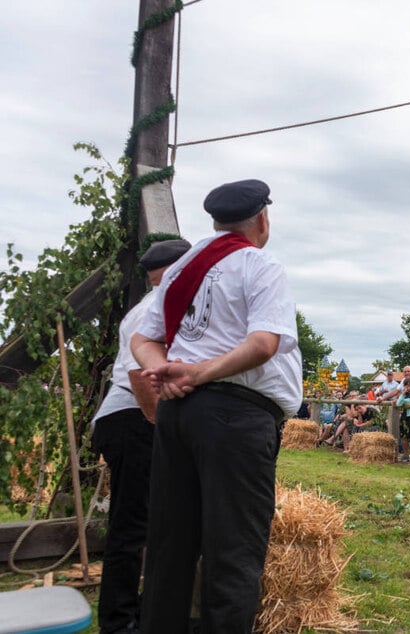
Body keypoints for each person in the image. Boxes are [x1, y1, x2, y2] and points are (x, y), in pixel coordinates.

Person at [130, 179, 302, 633]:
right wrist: (197, 372)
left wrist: (162, 369)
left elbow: (142, 339)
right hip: (235, 418)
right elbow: (264, 343)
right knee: (234, 553)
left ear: (215, 221)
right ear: (262, 219)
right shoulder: (258, 264)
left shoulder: (181, 270)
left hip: (179, 414)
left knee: (171, 546)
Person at [90, 238, 190, 634]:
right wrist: (167, 433)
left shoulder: (151, 304)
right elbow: (141, 377)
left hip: (130, 418)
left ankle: (142, 612)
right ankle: (118, 622)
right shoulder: (158, 307)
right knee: (131, 526)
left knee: (148, 522)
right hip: (135, 417)